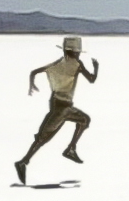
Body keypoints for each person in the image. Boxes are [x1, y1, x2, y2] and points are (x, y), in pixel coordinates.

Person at [15, 36, 99, 184]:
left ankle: (69, 149)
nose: (79, 54)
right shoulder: (77, 64)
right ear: (75, 52)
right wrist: (96, 67)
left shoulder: (57, 64)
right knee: (46, 136)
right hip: (64, 108)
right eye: (78, 52)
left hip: (55, 103)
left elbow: (34, 71)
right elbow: (92, 79)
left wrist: (31, 85)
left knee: (46, 136)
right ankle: (25, 161)